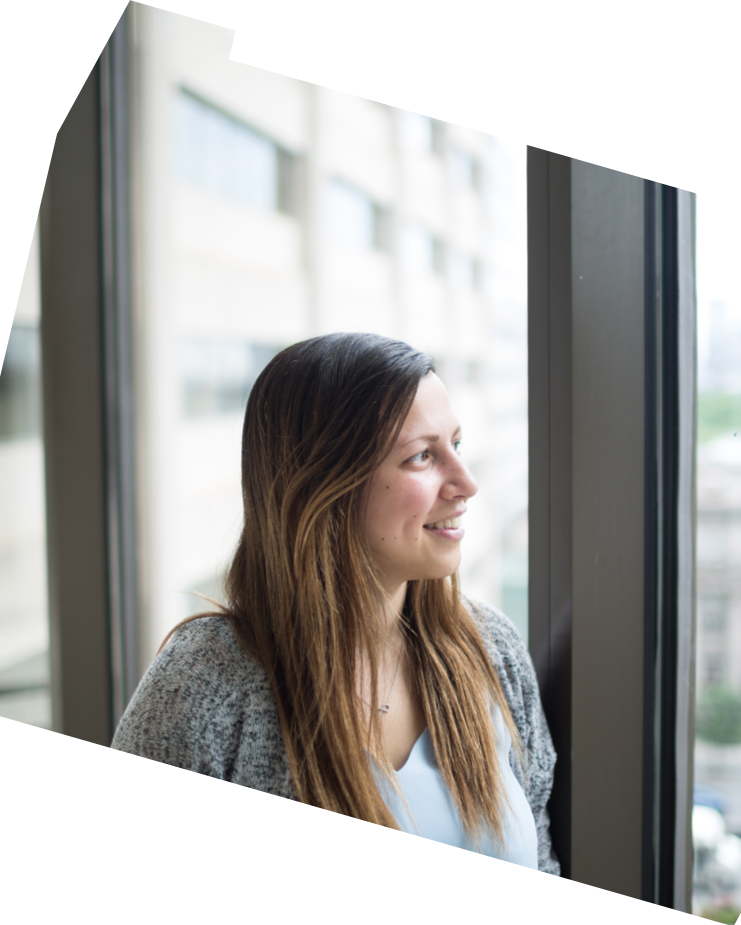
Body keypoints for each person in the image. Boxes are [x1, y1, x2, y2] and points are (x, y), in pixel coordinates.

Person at [111, 332, 559, 873]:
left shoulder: (492, 650)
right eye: (422, 456)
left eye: (456, 447)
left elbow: (541, 852)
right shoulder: (206, 680)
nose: (465, 483)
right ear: (326, 485)